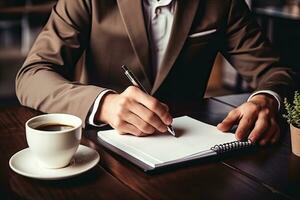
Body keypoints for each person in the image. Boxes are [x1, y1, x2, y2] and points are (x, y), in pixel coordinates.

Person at [16, 0, 295, 145]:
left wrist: (266, 99)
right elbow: (32, 75)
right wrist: (104, 104)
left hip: (189, 155)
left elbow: (275, 72)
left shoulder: (223, 3)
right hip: (97, 151)